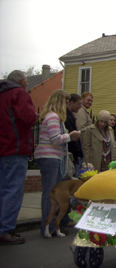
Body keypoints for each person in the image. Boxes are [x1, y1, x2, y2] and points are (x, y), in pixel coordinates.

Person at [34, 89, 81, 237]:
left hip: (51, 157)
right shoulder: (53, 117)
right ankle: (47, 227)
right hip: (49, 157)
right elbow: (55, 139)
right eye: (66, 102)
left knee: (51, 192)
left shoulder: (52, 117)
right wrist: (70, 135)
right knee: (50, 192)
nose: (67, 105)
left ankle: (51, 226)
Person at [0, 70, 37, 245]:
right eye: (27, 80)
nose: (28, 83)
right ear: (21, 80)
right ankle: (6, 229)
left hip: (2, 148)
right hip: (15, 148)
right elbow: (29, 118)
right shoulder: (19, 93)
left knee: (2, 189)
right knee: (13, 190)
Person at [65, 94, 84, 177]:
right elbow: (71, 137)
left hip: (75, 153)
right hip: (72, 153)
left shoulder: (71, 116)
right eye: (79, 104)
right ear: (71, 103)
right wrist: (79, 152)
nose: (80, 107)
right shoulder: (67, 117)